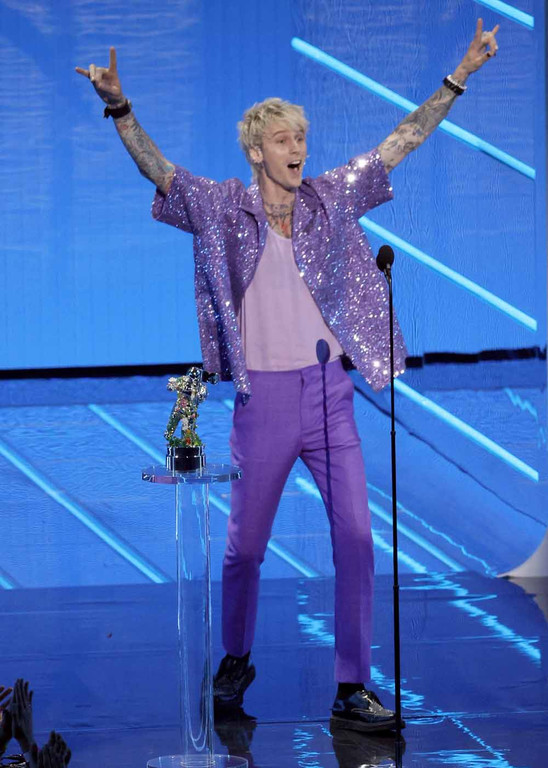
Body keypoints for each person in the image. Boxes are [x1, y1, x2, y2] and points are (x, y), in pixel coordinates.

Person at [76, 18, 498, 732]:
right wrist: (119, 106)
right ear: (256, 151)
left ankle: (351, 685)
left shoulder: (331, 200)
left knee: (357, 538)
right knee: (244, 548)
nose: (297, 149)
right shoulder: (222, 208)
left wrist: (459, 75)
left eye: (301, 138)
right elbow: (159, 171)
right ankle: (235, 660)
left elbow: (401, 142)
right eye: (282, 139)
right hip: (263, 400)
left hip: (330, 395)